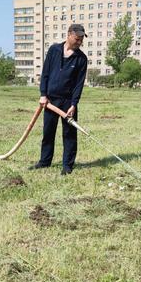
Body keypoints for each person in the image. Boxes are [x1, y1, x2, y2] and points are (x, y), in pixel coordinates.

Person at [30, 23, 88, 175]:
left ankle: (67, 166)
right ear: (69, 34)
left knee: (69, 134)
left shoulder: (81, 59)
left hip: (68, 102)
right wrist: (43, 94)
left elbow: (78, 85)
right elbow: (46, 74)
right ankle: (44, 161)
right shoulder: (54, 50)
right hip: (50, 101)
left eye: (81, 39)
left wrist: (74, 104)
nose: (80, 42)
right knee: (48, 132)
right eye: (77, 38)